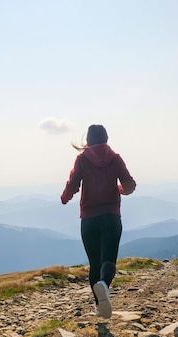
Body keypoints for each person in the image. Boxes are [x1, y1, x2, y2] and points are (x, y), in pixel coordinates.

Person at [60, 124, 136, 318]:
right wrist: (119, 190)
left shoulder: (82, 159)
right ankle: (104, 285)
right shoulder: (115, 158)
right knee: (108, 261)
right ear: (106, 138)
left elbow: (73, 184)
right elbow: (129, 184)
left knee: (94, 263)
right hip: (111, 217)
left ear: (89, 140)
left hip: (89, 220)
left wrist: (65, 197)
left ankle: (99, 305)